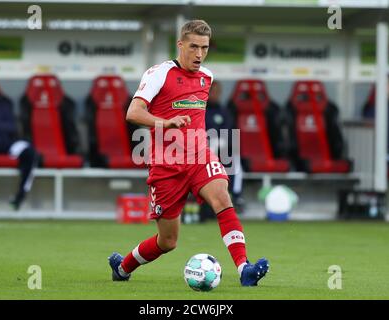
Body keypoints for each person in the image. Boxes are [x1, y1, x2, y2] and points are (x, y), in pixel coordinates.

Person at [108, 20, 269, 286]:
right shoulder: (159, 73)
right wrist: (166, 122)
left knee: (222, 198)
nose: (199, 54)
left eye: (204, 48)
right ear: (180, 44)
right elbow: (133, 113)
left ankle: (244, 270)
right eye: (193, 47)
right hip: (166, 164)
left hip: (199, 156)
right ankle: (123, 268)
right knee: (168, 241)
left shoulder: (207, 76)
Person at [0, 74, 39, 210]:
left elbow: (11, 127)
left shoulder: (5, 102)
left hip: (5, 142)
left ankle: (20, 196)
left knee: (29, 151)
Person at [199, 80, 245, 222]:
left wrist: (220, 143)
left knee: (235, 160)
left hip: (221, 150)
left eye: (218, 92)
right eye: (213, 91)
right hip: (200, 150)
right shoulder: (199, 110)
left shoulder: (224, 112)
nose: (215, 94)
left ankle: (235, 197)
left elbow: (231, 133)